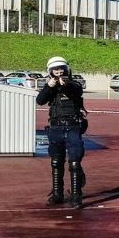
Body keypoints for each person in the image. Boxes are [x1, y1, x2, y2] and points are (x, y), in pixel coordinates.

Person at [36, 56, 87, 208]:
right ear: (50, 72)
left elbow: (76, 91)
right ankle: (58, 194)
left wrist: (66, 85)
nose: (58, 72)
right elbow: (40, 100)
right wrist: (48, 87)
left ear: (67, 70)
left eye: (61, 69)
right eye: (55, 70)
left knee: (74, 162)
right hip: (55, 127)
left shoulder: (74, 84)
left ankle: (76, 197)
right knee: (56, 162)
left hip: (72, 127)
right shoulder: (50, 87)